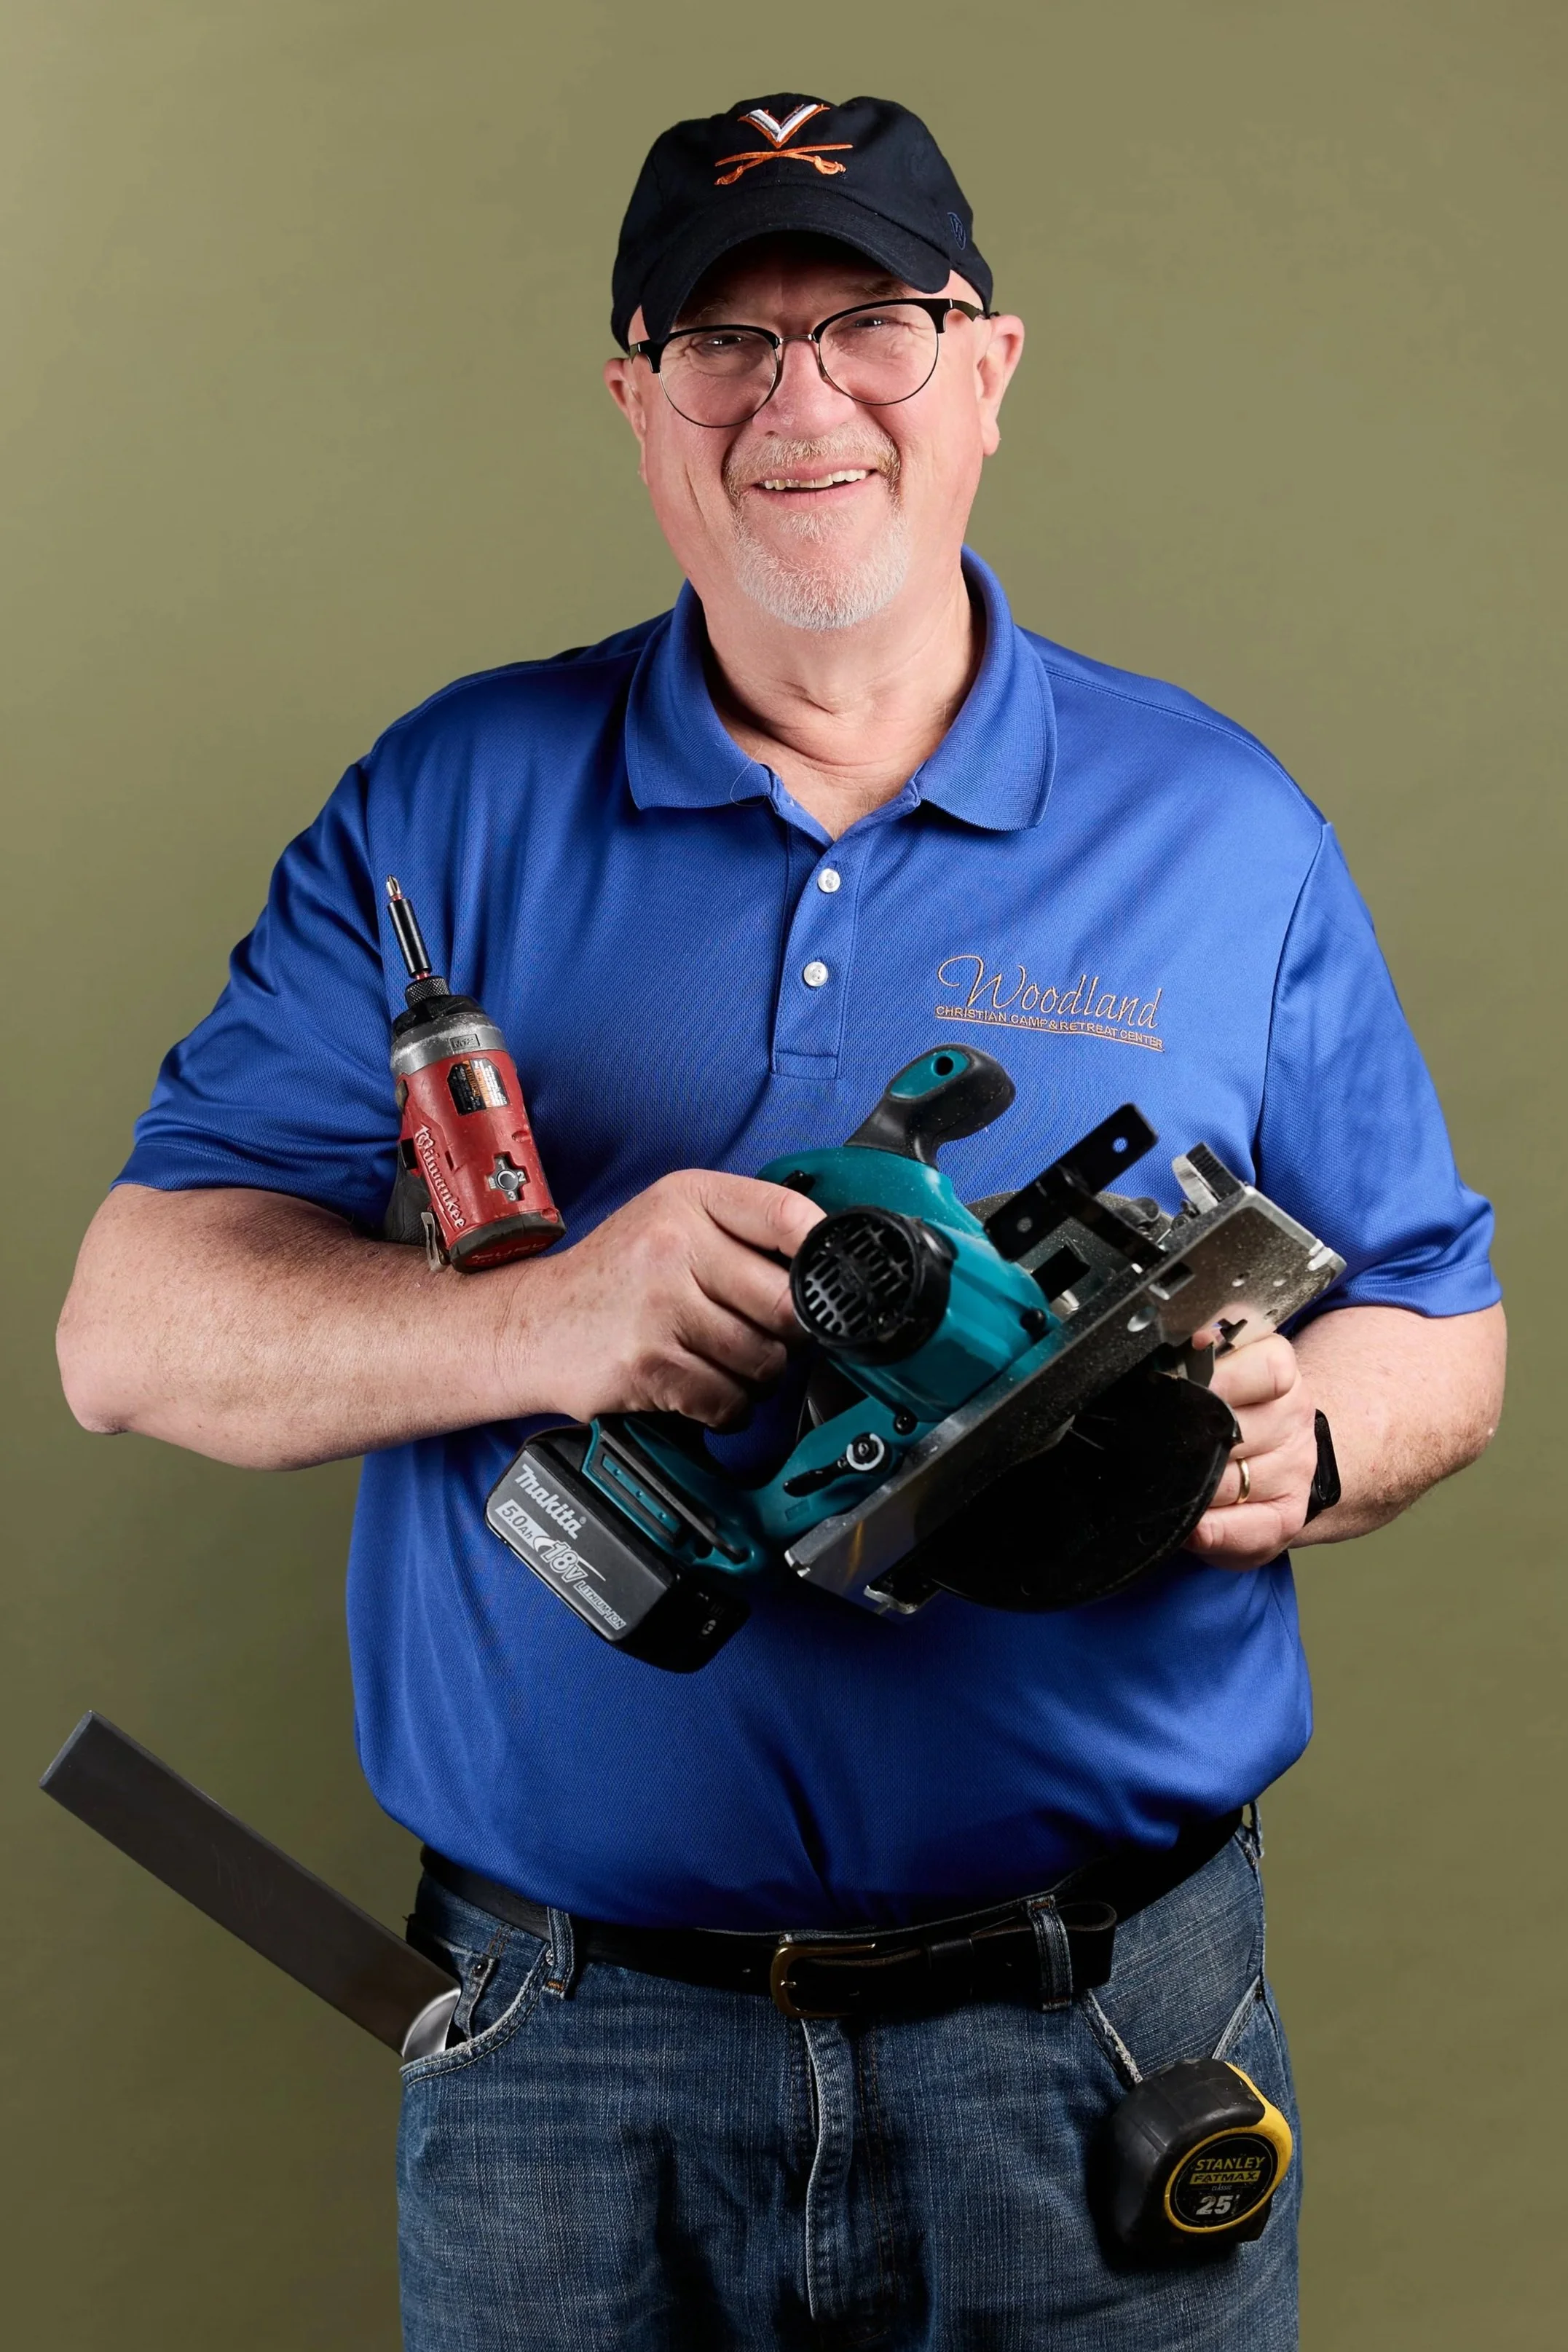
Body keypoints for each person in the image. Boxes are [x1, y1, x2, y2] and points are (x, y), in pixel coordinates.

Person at [58, 92, 1504, 2351]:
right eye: (725, 343)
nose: (800, 396)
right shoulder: (451, 804)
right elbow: (123, 1333)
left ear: (992, 370)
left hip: (1104, 2033)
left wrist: (1286, 1443)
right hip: (567, 2060)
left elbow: (1442, 1316)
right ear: (638, 402)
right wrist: (552, 1329)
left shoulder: (1224, 828)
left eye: (875, 326)